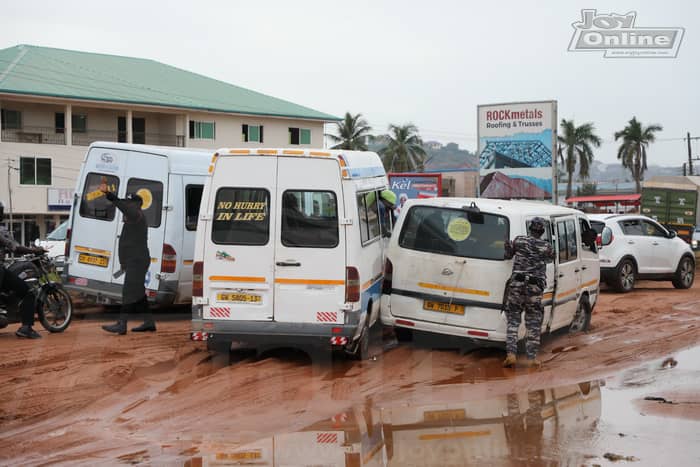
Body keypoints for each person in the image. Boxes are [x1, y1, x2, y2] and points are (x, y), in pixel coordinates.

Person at [99, 184, 156, 334]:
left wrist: (110, 195)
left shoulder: (136, 215)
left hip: (138, 261)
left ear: (136, 205)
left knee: (128, 292)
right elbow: (126, 243)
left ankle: (122, 324)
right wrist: (124, 263)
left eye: (129, 203)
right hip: (134, 260)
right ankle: (149, 322)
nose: (127, 206)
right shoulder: (133, 219)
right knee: (138, 292)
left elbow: (126, 209)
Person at [502, 217, 554, 368]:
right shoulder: (546, 246)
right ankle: (531, 358)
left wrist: (507, 246)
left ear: (530, 229)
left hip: (517, 285)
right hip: (534, 287)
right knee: (533, 322)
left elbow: (508, 255)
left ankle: (511, 354)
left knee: (513, 320)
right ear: (542, 231)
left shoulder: (519, 240)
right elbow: (552, 258)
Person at [0, 201, 45, 339]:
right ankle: (26, 328)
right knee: (27, 292)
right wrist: (34, 250)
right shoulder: (1, 230)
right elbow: (16, 248)